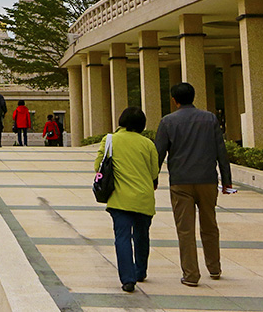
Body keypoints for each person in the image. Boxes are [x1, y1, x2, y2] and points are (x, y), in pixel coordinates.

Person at [155, 82, 232, 287]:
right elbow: (220, 151)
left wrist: (152, 179)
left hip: (180, 182)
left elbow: (158, 154)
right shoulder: (210, 119)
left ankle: (191, 275)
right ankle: (214, 267)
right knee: (210, 225)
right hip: (207, 179)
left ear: (174, 100)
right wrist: (227, 181)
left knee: (185, 230)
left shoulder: (168, 121)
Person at [96, 106, 160, 293]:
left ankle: (128, 279)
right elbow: (154, 172)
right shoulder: (148, 144)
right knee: (142, 236)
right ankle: (140, 271)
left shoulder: (110, 140)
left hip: (119, 199)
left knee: (122, 238)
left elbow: (97, 167)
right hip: (143, 198)